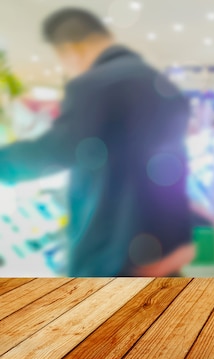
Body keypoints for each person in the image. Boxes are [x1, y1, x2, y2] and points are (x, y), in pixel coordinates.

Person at [0, 8, 194, 277]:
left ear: (71, 50)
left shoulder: (92, 85)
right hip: (162, 247)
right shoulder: (164, 85)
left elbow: (55, 151)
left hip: (113, 251)